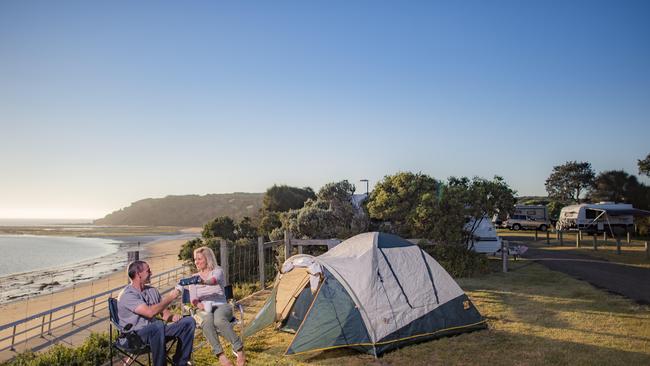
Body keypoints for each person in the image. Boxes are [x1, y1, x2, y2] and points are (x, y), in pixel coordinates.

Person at [117, 260, 196, 366]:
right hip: (134, 338)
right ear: (138, 274)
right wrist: (171, 297)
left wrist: (173, 317)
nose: (151, 273)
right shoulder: (127, 295)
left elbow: (165, 315)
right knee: (157, 325)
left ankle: (180, 362)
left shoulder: (152, 291)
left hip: (157, 333)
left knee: (188, 322)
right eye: (148, 270)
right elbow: (150, 313)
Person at [189, 246, 245, 366]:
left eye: (199, 259)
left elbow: (213, 281)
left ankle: (239, 349)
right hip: (203, 307)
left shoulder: (218, 271)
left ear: (208, 259)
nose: (196, 262)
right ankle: (221, 356)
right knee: (207, 321)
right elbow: (193, 299)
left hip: (221, 305)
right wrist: (200, 305)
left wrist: (201, 281)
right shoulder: (193, 277)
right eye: (195, 259)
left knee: (219, 320)